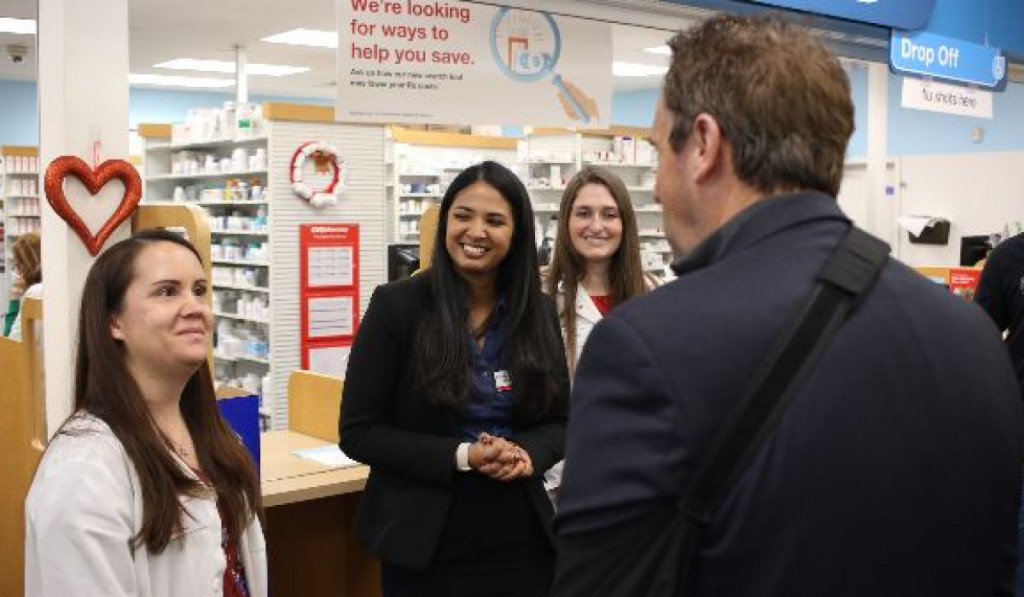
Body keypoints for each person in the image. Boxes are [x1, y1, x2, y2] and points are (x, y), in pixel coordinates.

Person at [553, 14, 1023, 597]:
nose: (654, 187)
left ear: (703, 145)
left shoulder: (647, 347)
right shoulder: (973, 339)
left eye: (658, 153)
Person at [339, 161, 569, 597]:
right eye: (463, 215)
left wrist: (525, 453)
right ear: (446, 221)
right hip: (424, 541)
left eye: (494, 220)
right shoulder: (397, 307)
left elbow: (562, 421)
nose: (475, 231)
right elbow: (358, 432)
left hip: (521, 537)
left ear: (518, 234)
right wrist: (464, 456)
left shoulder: (536, 311)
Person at [25, 229, 267, 597]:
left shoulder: (216, 438)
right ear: (114, 322)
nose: (194, 307)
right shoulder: (83, 470)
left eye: (199, 290)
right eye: (167, 291)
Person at [541, 166, 658, 501]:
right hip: (558, 474)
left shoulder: (650, 292)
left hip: (633, 471)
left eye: (609, 214)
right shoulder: (541, 292)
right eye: (583, 213)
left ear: (625, 224)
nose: (596, 226)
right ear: (565, 222)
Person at [4, 231, 42, 340]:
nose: (16, 271)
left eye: (17, 265)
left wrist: (14, 300)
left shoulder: (34, 293)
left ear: (27, 264)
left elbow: (10, 345)